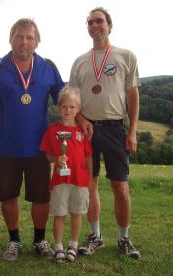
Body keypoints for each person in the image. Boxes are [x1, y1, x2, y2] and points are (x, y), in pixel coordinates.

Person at [0, 18, 64, 261]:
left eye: (29, 37)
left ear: (37, 41)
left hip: (39, 149)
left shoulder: (48, 67)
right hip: (5, 148)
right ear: (11, 38)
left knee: (41, 197)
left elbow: (65, 101)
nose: (24, 41)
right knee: (8, 196)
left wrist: (81, 120)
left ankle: (40, 240)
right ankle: (14, 240)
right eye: (19, 36)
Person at [69, 7, 141, 259]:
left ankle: (124, 239)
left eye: (99, 21)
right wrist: (79, 118)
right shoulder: (79, 61)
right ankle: (95, 236)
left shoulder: (125, 56)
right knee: (90, 187)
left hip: (114, 128)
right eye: (89, 22)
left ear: (109, 25)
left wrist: (132, 131)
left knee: (120, 187)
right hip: (86, 130)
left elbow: (133, 95)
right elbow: (72, 99)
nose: (94, 26)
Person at [40, 86, 92, 264]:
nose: (67, 110)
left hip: (80, 181)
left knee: (77, 214)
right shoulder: (52, 130)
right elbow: (47, 155)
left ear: (78, 110)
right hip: (60, 180)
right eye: (64, 107)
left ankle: (73, 245)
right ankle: (59, 247)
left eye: (72, 107)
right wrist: (56, 159)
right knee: (59, 214)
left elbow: (87, 157)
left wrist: (90, 180)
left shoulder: (82, 132)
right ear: (58, 108)